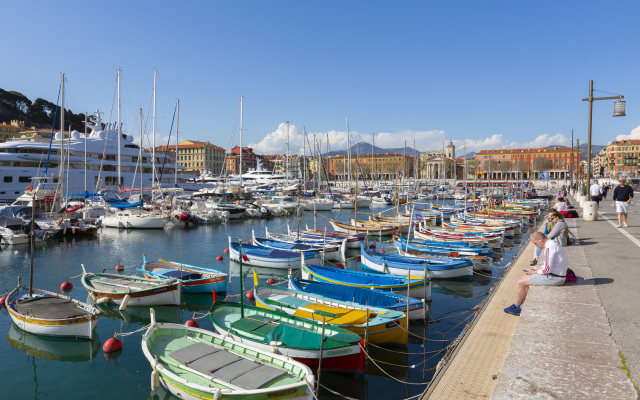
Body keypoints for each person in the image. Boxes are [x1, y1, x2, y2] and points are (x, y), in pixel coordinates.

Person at [504, 232, 569, 316]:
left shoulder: (549, 248)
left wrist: (533, 272)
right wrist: (535, 269)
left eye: (535, 243)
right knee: (524, 279)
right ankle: (521, 305)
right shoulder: (553, 244)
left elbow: (546, 270)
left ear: (540, 240)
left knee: (520, 282)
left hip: (555, 278)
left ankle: (516, 306)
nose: (536, 246)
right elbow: (547, 265)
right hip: (556, 275)